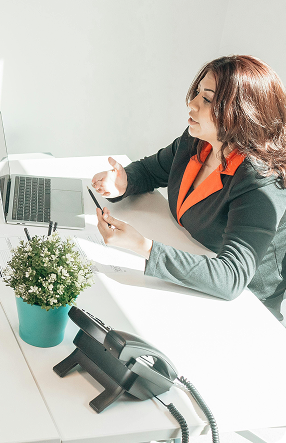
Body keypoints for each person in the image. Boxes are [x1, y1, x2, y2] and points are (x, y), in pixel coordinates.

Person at [91, 55, 286, 321]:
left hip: (246, 307)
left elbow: (231, 277)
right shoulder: (197, 141)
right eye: (197, 93)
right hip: (190, 265)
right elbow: (150, 171)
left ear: (241, 114)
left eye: (206, 99)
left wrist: (143, 246)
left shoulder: (261, 181)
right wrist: (124, 182)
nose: (191, 104)